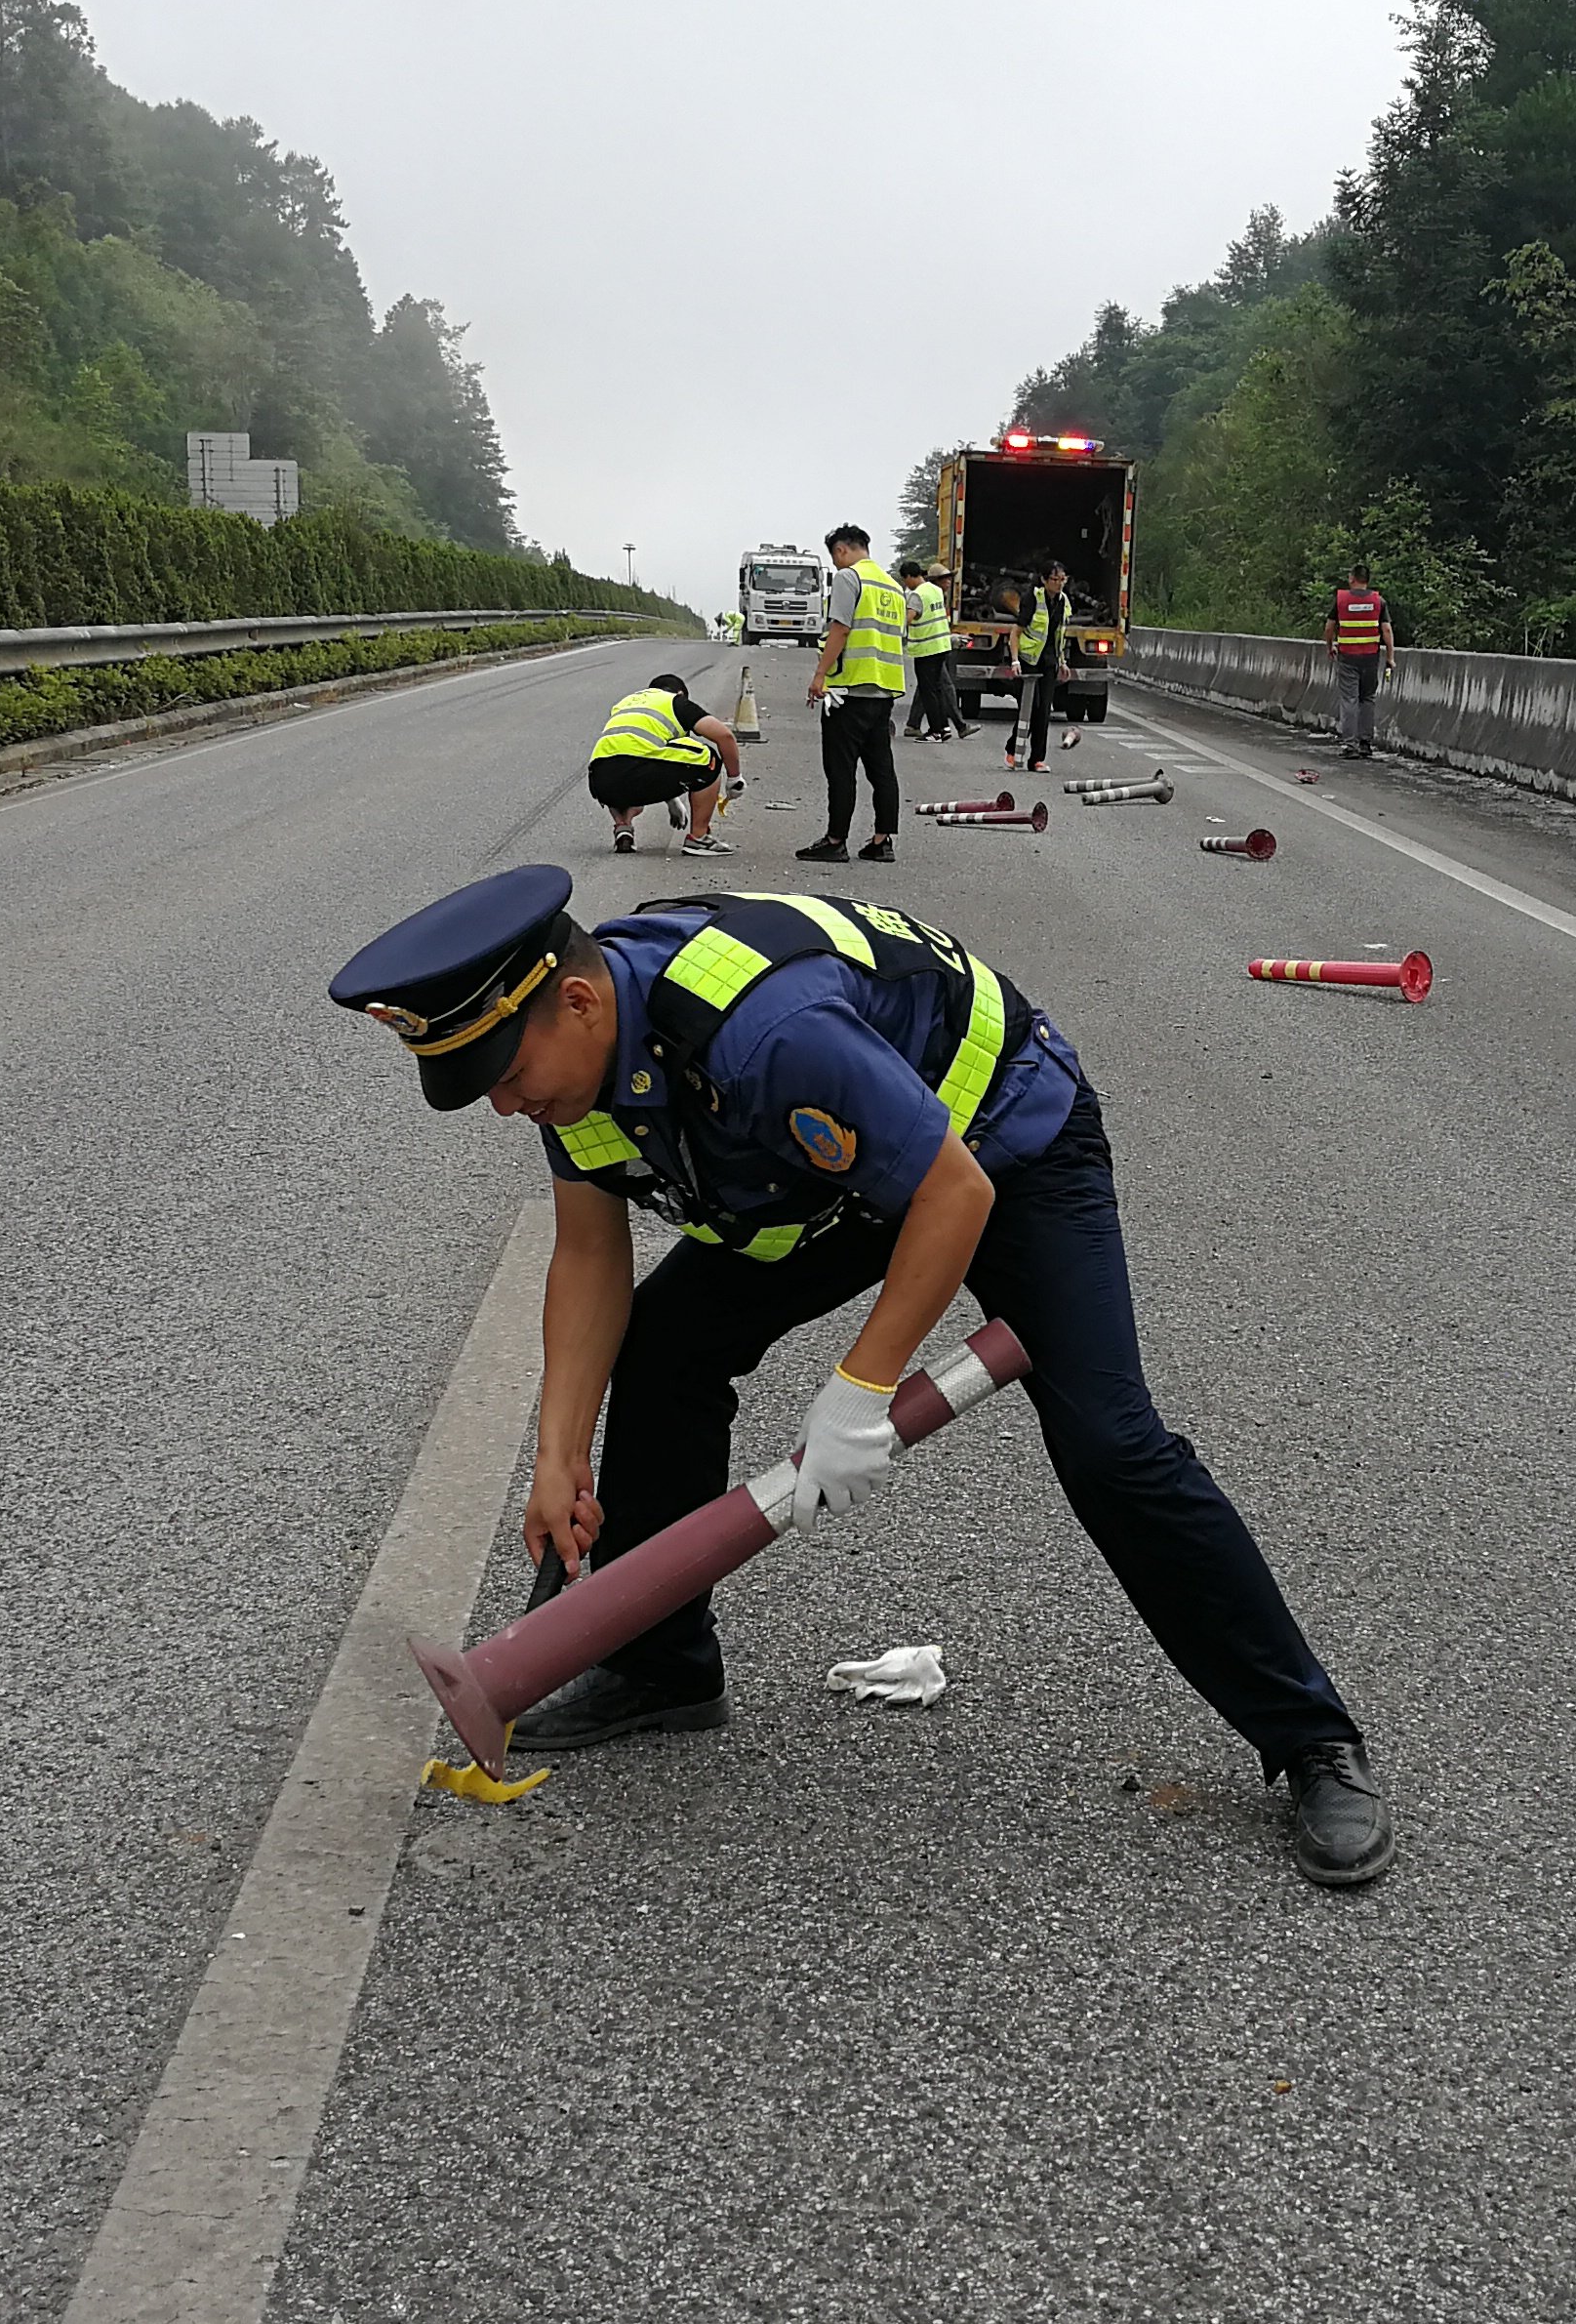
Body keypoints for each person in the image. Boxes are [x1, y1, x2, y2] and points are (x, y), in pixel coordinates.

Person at [325, 866, 1395, 1889]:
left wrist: (860, 1388)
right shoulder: (577, 1068)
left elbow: (952, 1193)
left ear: (574, 1001)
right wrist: (558, 1456)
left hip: (1002, 1150)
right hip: (832, 1179)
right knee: (665, 1345)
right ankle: (661, 1667)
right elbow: (591, 1255)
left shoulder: (764, 1030)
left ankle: (1311, 1742)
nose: (508, 1108)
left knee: (1113, 1450)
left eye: (508, 1078)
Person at [802, 522, 909, 866]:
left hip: (849, 690)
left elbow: (841, 629)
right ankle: (882, 841)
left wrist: (820, 675)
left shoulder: (850, 578)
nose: (835, 564)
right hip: (884, 690)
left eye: (835, 556)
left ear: (842, 550)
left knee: (840, 768)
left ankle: (836, 840)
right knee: (881, 769)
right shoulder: (893, 586)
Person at [587, 673, 742, 857]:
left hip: (600, 780)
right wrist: (735, 778)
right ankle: (699, 838)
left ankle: (623, 825)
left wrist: (672, 801)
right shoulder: (675, 701)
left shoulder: (625, 703)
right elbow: (724, 736)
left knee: (621, 768)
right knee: (708, 758)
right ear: (680, 694)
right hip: (638, 769)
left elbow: (642, 753)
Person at [1012, 561, 1074, 774]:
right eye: (1055, 580)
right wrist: (1014, 661)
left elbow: (1060, 635)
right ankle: (1013, 748)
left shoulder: (1064, 601)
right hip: (1029, 660)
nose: (1059, 584)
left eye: (1062, 580)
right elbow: (1016, 633)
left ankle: (1037, 759)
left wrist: (1063, 662)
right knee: (1030, 708)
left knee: (1044, 710)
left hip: (1049, 661)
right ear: (1044, 580)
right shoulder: (1032, 599)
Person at [1326, 564, 1394, 757]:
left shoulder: (1341, 600)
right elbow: (1387, 630)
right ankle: (1365, 743)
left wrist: (1330, 646)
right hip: (1370, 658)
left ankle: (1350, 746)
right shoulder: (1378, 601)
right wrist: (1390, 657)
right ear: (1367, 580)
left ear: (1352, 578)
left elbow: (1329, 627)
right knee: (1367, 699)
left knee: (1349, 699)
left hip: (1348, 658)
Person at [899, 557, 970, 743]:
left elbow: (907, 619)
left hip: (926, 648)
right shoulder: (936, 591)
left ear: (908, 576)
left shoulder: (917, 595)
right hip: (941, 647)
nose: (906, 585)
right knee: (937, 689)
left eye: (905, 581)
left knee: (927, 690)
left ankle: (935, 731)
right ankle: (944, 728)